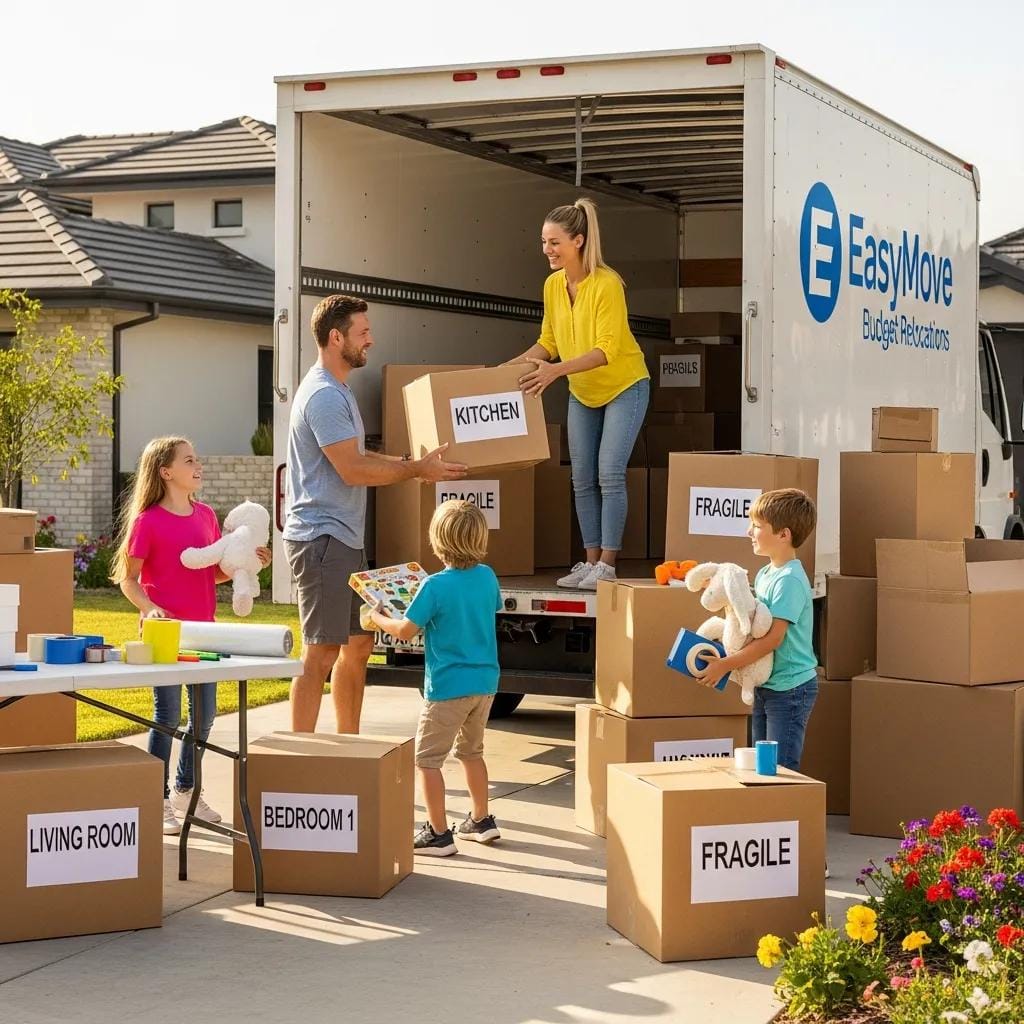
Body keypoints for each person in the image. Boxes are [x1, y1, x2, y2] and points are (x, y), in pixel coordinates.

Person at [283, 294, 466, 735]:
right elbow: (352, 468)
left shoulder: (339, 389)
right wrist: (414, 470)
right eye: (363, 333)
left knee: (360, 642)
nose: (371, 340)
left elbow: (359, 456)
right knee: (321, 652)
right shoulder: (324, 395)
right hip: (321, 539)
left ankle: (349, 745)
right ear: (335, 337)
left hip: (341, 538)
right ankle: (300, 756)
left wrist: (410, 465)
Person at [111, 436, 271, 836]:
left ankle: (186, 788)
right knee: (167, 716)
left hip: (204, 630)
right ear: (166, 472)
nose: (198, 465)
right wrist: (149, 608)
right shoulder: (148, 521)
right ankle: (157, 796)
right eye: (189, 460)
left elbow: (207, 573)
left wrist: (248, 568)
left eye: (197, 459)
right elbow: (127, 580)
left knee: (204, 716)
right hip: (165, 633)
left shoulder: (205, 517)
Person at [510, 197, 650, 591]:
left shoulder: (607, 285)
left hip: (624, 386)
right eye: (543, 242)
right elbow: (548, 341)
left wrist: (555, 372)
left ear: (579, 241)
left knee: (609, 473)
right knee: (581, 477)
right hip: (583, 390)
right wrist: (510, 368)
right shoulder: (553, 286)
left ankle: (607, 563)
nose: (547, 251)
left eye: (554, 242)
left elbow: (606, 350)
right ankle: (589, 562)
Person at [370, 500, 503, 856]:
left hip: (447, 688)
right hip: (486, 684)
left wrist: (377, 617)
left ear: (437, 540)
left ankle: (438, 833)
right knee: (472, 752)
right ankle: (480, 820)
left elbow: (404, 630)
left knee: (427, 761)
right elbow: (487, 609)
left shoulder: (433, 586)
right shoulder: (488, 576)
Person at [694, 488, 819, 772]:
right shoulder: (765, 573)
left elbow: (772, 640)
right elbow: (749, 620)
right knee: (761, 767)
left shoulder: (789, 581)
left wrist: (725, 665)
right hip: (767, 686)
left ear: (783, 535)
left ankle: (784, 815)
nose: (749, 531)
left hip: (790, 689)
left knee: (779, 768)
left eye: (757, 526)